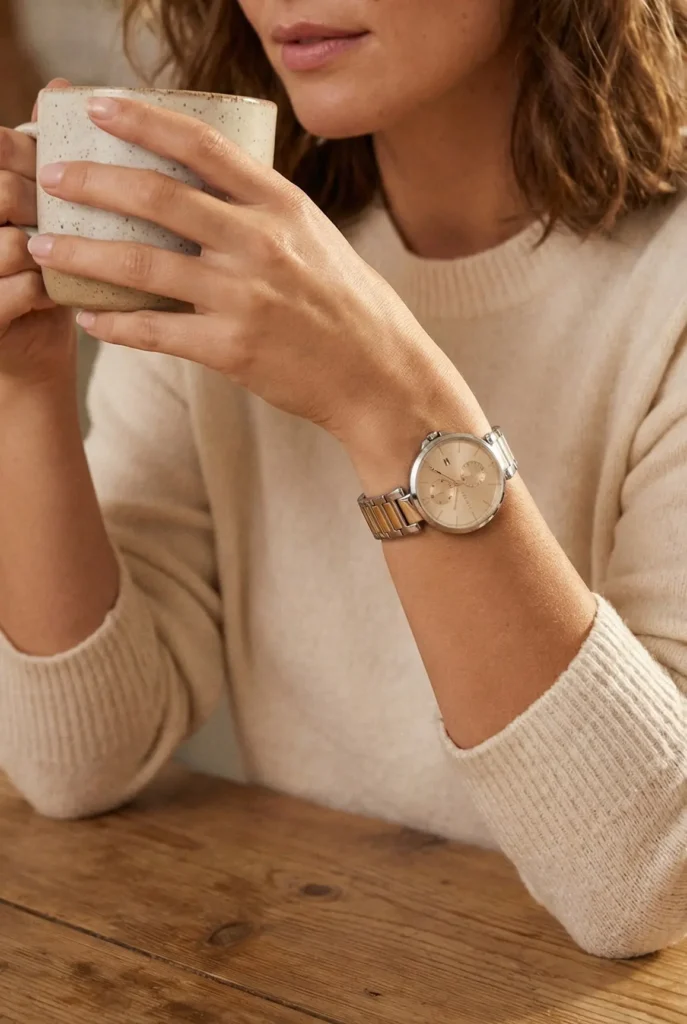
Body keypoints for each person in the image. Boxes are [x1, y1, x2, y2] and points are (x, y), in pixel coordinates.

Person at [0, 0, 685, 961]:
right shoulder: (219, 247)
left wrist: (386, 401)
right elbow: (77, 762)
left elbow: (644, 885)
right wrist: (23, 386)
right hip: (302, 963)